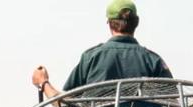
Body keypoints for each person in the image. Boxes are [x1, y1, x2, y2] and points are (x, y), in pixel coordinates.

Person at [30, 0, 172, 98]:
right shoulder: (154, 60)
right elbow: (174, 103)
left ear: (109, 24)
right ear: (137, 22)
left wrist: (43, 82)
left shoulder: (91, 58)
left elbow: (66, 104)